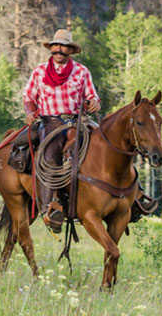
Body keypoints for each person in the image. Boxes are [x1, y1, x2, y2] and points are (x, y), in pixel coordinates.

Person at [22, 29, 99, 231]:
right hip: (51, 122)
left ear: (70, 50)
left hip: (78, 120)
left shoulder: (82, 71)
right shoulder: (39, 72)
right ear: (52, 49)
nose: (59, 50)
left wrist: (93, 102)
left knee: (107, 141)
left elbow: (92, 95)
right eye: (56, 46)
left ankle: (136, 196)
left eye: (63, 46)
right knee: (49, 156)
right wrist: (30, 111)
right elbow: (29, 97)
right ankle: (50, 209)